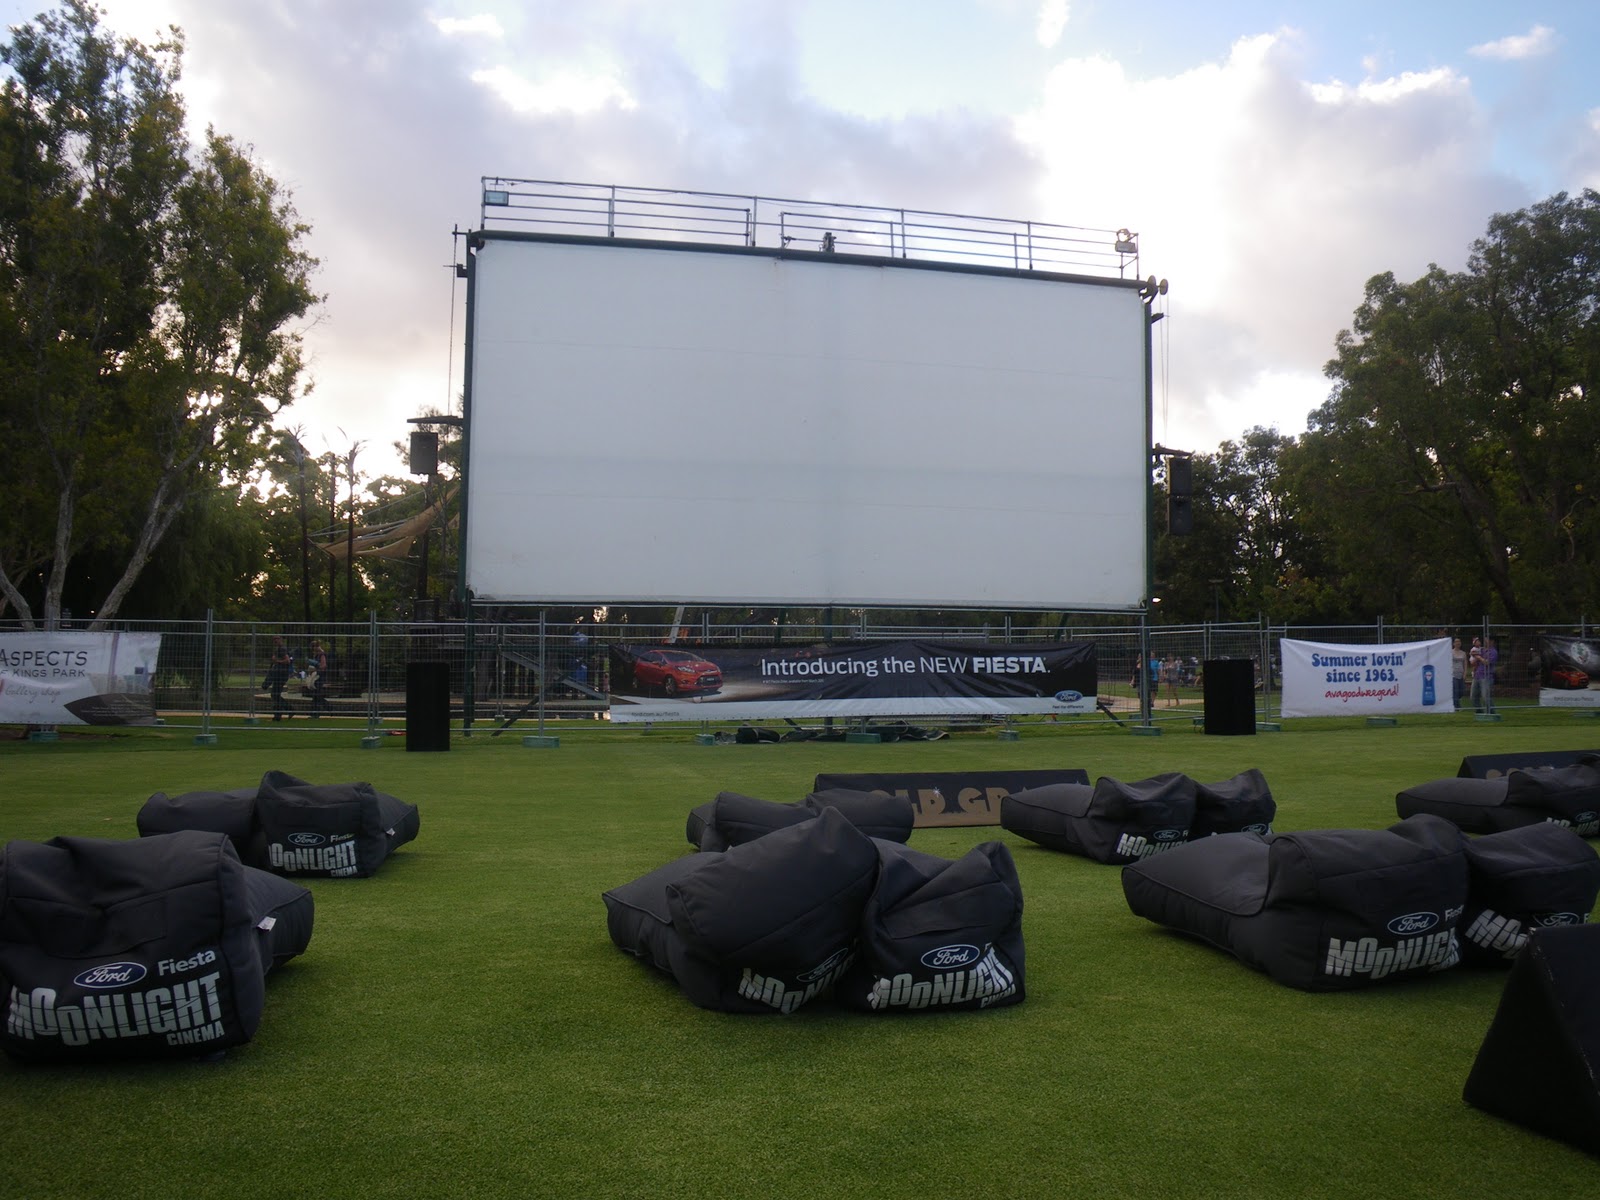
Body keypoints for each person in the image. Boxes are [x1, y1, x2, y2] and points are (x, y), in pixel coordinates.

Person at [1470, 636, 1498, 714]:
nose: (1485, 642)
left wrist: (1478, 657)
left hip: (1486, 677)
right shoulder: (1482, 650)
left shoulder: (1493, 652)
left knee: (1485, 697)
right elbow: (1473, 656)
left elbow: (1487, 662)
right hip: (1477, 676)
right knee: (1473, 697)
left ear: (1492, 641)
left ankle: (1492, 712)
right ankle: (1479, 712)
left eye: (1487, 640)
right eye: (1485, 640)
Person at [267, 636, 293, 721]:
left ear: (281, 640)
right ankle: (287, 710)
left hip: (281, 675)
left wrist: (277, 661)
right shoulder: (279, 649)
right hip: (279, 674)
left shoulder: (282, 649)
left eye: (277, 639)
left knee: (275, 694)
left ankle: (282, 713)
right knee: (275, 695)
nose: (275, 641)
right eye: (274, 640)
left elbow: (287, 660)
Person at [308, 638, 329, 717]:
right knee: (316, 695)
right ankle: (316, 712)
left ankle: (328, 708)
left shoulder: (321, 654)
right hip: (316, 675)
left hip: (319, 676)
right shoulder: (316, 655)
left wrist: (316, 668)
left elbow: (323, 666)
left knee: (317, 695)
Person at [1450, 637, 1467, 708]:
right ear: (1453, 643)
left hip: (1461, 674)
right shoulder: (1450, 652)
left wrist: (1465, 673)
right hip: (1453, 674)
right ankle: (1457, 706)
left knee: (1461, 691)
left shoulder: (1463, 653)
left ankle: (1456, 703)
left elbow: (1465, 664)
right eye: (1456, 642)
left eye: (1459, 641)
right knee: (1455, 691)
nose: (1458, 643)